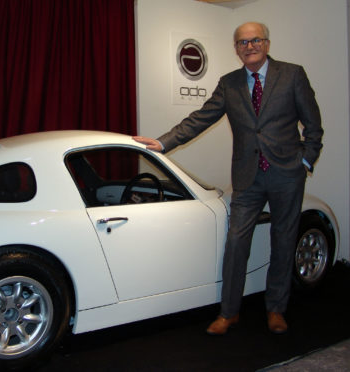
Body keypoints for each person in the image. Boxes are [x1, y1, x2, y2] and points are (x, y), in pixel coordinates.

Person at [134, 22, 323, 335]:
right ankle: (229, 311)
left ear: (267, 43)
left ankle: (276, 309)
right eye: (242, 42)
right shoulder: (229, 83)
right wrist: (164, 142)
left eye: (255, 40)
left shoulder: (292, 75)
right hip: (247, 177)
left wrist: (305, 160)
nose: (249, 46)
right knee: (236, 242)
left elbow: (313, 125)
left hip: (286, 175)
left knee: (283, 240)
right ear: (236, 48)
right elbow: (201, 118)